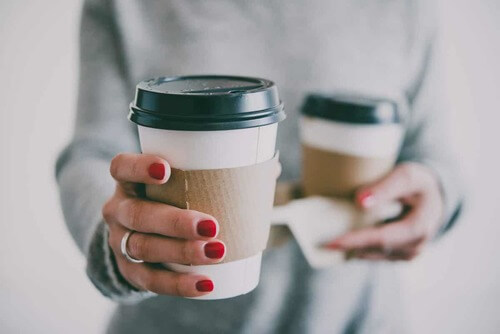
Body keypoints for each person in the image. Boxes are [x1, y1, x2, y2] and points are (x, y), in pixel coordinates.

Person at [56, 0, 462, 333]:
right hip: (170, 318)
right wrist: (117, 239)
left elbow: (435, 156)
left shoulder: (406, 8)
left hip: (357, 318)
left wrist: (435, 195)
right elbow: (92, 153)